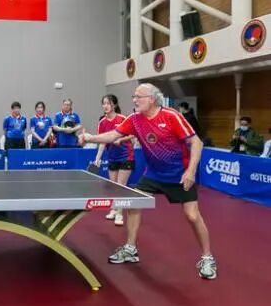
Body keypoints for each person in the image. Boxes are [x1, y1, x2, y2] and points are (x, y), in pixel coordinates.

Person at [80, 84, 217, 280]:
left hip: (179, 174)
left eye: (138, 97)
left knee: (192, 216)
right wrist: (90, 138)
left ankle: (207, 257)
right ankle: (130, 248)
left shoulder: (171, 116)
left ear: (152, 99)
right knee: (134, 203)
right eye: (133, 97)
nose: (134, 100)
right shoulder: (134, 119)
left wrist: (191, 171)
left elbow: (196, 142)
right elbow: (114, 135)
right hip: (153, 174)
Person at [93, 95, 135, 226]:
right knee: (113, 186)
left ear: (114, 105)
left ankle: (119, 214)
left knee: (120, 186)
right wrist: (97, 158)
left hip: (126, 156)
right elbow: (102, 141)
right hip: (112, 157)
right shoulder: (102, 122)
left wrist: (121, 139)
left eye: (108, 103)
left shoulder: (122, 119)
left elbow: (133, 134)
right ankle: (114, 209)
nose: (105, 106)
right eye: (104, 103)